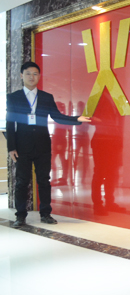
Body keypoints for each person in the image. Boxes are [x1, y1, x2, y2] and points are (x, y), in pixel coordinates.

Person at [6, 61, 92, 228]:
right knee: (22, 182)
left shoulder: (46, 97)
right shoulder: (13, 97)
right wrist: (11, 147)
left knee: (44, 181)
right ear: (22, 75)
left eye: (35, 74)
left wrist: (77, 119)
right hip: (22, 147)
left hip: (43, 146)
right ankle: (20, 216)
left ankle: (45, 214)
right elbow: (10, 124)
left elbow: (57, 117)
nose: (32, 77)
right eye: (28, 73)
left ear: (39, 76)